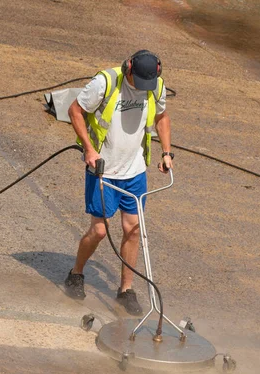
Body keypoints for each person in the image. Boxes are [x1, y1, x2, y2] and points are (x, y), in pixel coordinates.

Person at [64, 50, 173, 316]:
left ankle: (126, 290)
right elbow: (75, 110)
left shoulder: (155, 85)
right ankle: (76, 273)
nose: (143, 88)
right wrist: (89, 150)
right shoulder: (106, 82)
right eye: (138, 82)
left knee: (133, 229)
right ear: (128, 69)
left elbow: (162, 117)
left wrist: (167, 153)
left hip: (134, 170)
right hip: (103, 169)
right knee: (100, 231)